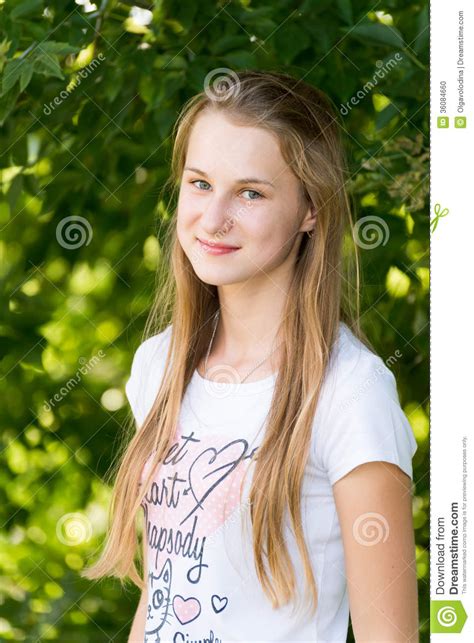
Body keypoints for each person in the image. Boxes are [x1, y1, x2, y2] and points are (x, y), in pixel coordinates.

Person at [83, 70, 419, 642]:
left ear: (311, 209)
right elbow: (164, 595)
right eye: (200, 183)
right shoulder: (158, 366)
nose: (212, 220)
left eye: (251, 193)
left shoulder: (351, 392)